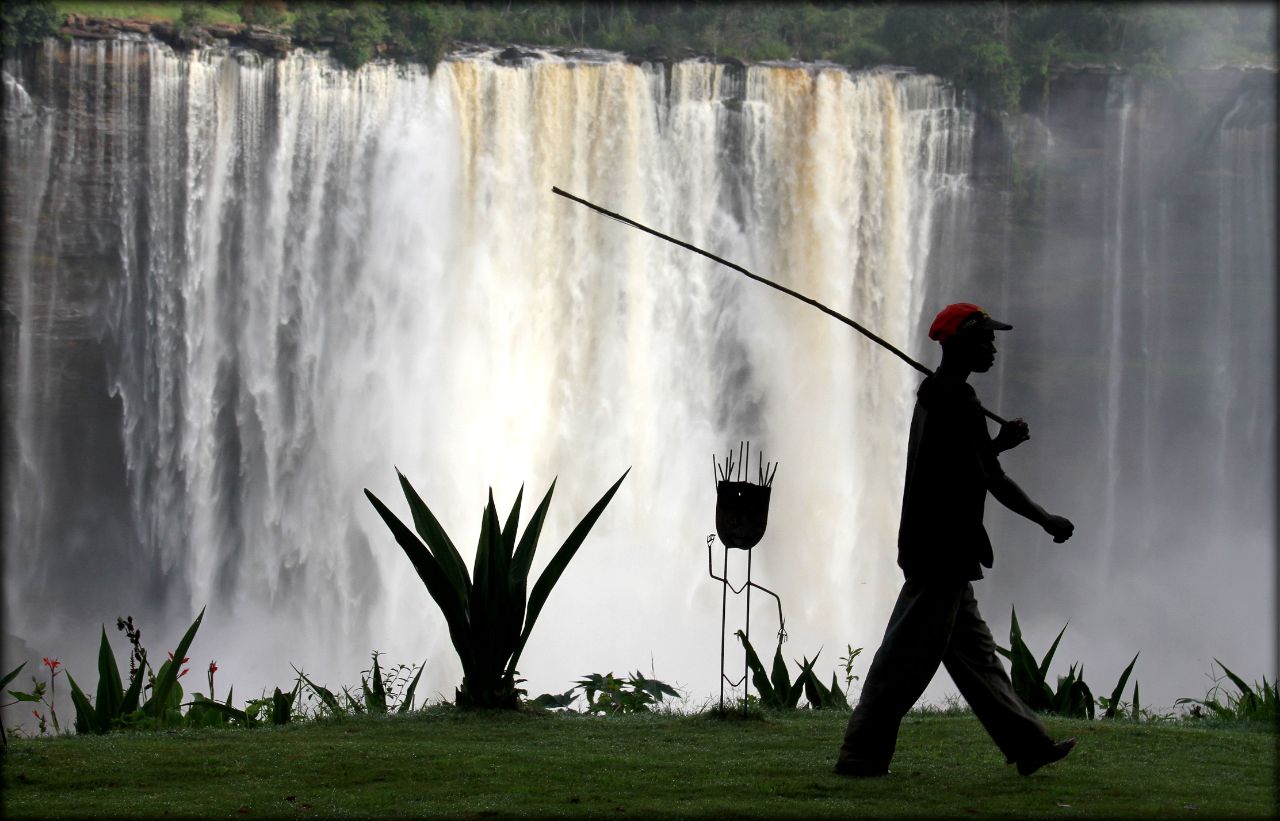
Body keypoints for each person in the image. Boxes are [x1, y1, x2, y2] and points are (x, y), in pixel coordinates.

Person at [834, 302, 1077, 778]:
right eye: (984, 339)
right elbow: (993, 479)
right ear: (957, 343)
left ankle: (1027, 745)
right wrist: (1046, 519)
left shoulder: (938, 392)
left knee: (977, 661)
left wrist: (999, 441)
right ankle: (860, 755)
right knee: (902, 661)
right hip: (942, 551)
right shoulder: (957, 399)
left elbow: (962, 461)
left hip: (941, 548)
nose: (992, 347)